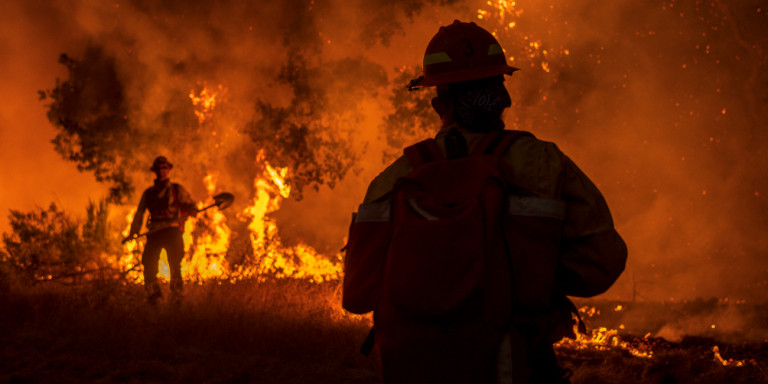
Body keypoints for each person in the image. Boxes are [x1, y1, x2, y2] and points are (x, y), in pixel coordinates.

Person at [342, 20, 627, 383]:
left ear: (437, 103)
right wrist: (527, 271)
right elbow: (602, 265)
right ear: (502, 96)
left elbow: (357, 295)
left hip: (411, 369)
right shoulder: (545, 163)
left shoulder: (394, 179)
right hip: (511, 365)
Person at [128, 156, 197, 304]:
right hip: (155, 233)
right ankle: (154, 295)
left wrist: (192, 209)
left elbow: (191, 204)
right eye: (159, 168)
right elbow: (140, 213)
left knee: (175, 264)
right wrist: (133, 232)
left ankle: (177, 295)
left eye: (164, 168)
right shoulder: (148, 193)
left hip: (172, 231)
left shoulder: (177, 190)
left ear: (169, 170)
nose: (161, 171)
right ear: (155, 171)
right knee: (149, 261)